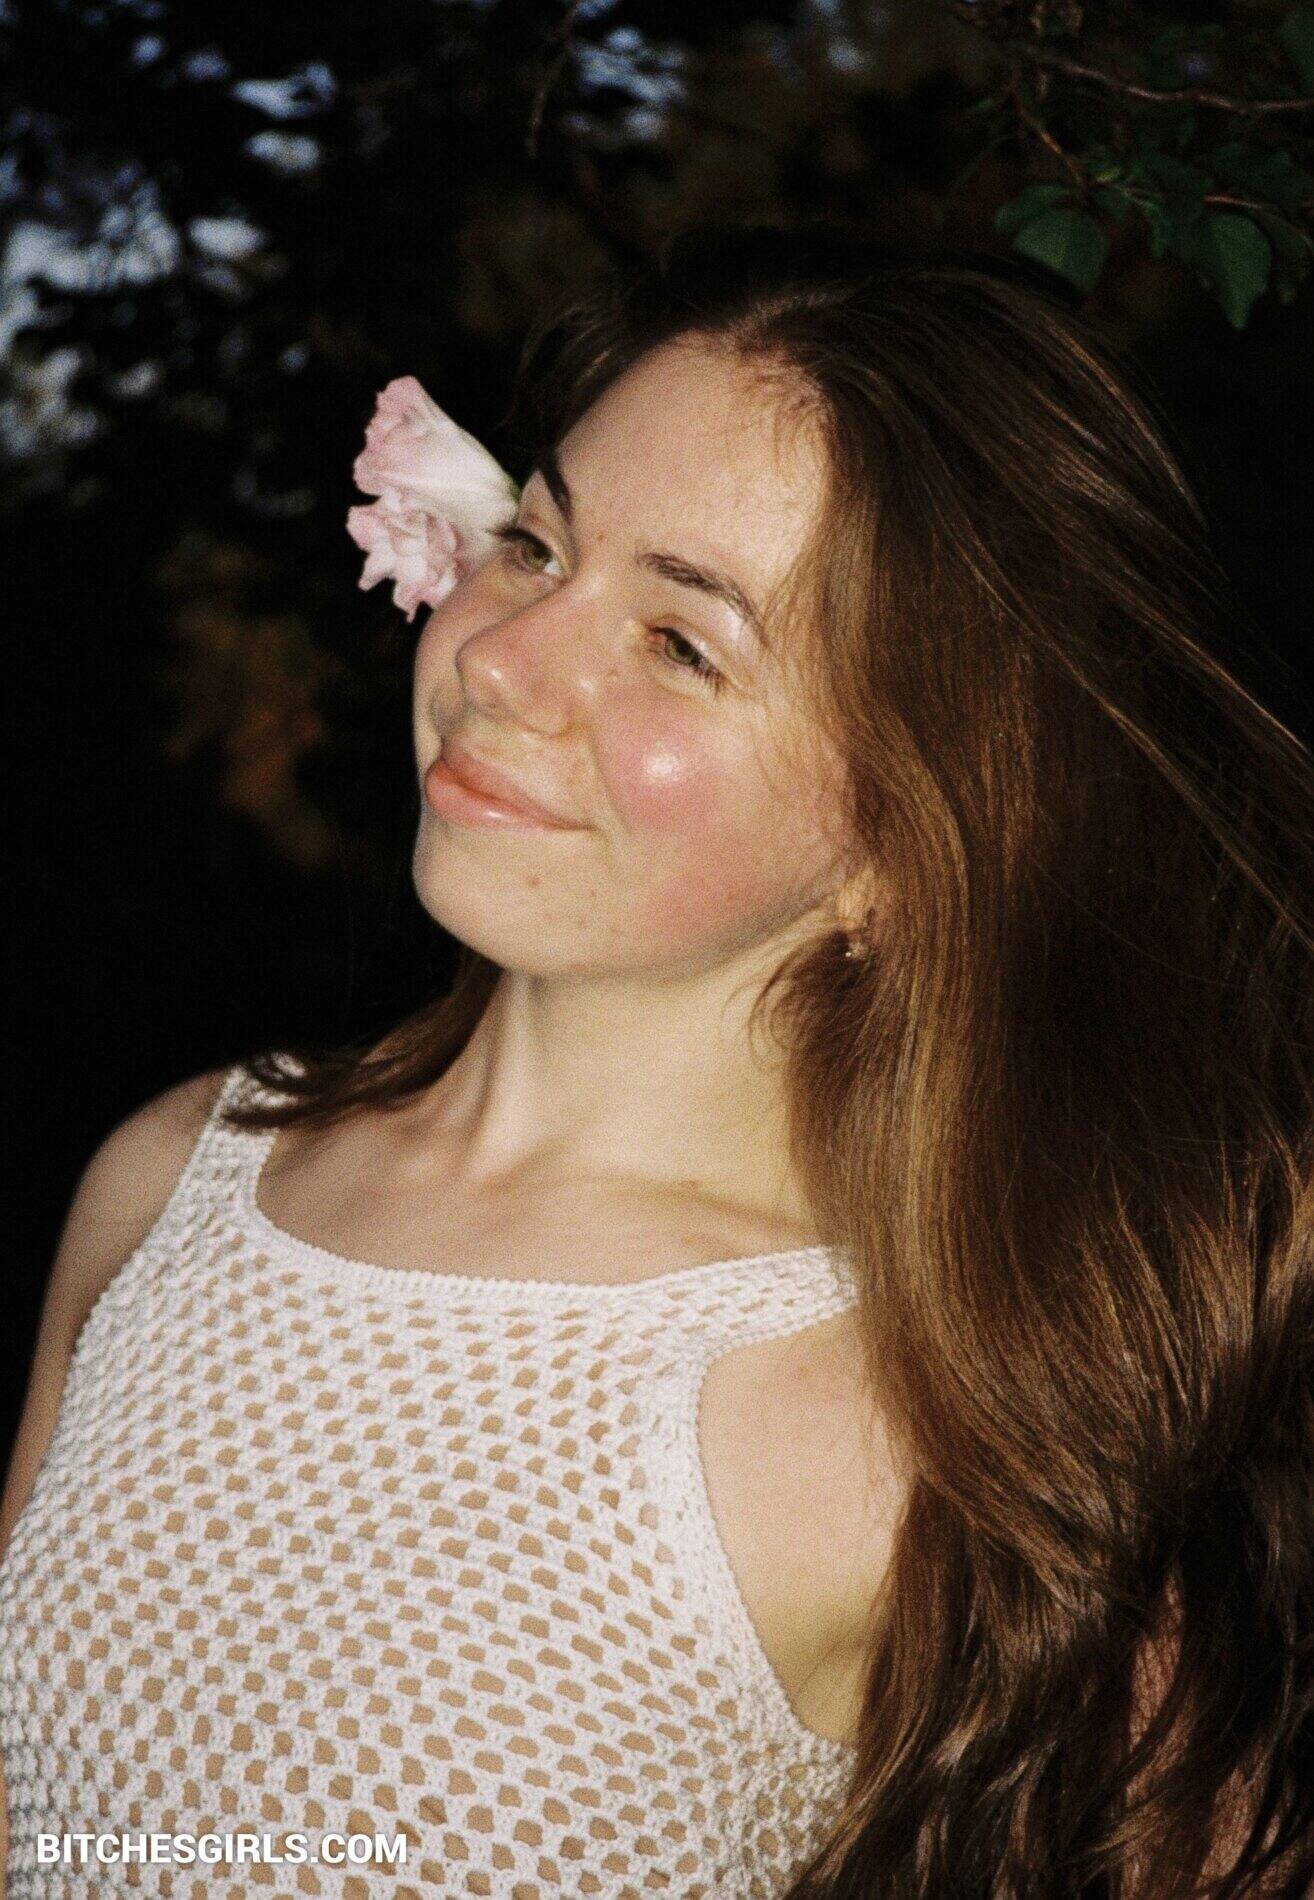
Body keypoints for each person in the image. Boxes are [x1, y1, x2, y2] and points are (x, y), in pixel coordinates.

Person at [2, 220, 1312, 1898]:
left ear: (910, 836)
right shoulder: (173, 1181)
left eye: (682, 645)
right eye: (535, 545)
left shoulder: (931, 1434)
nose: (498, 656)